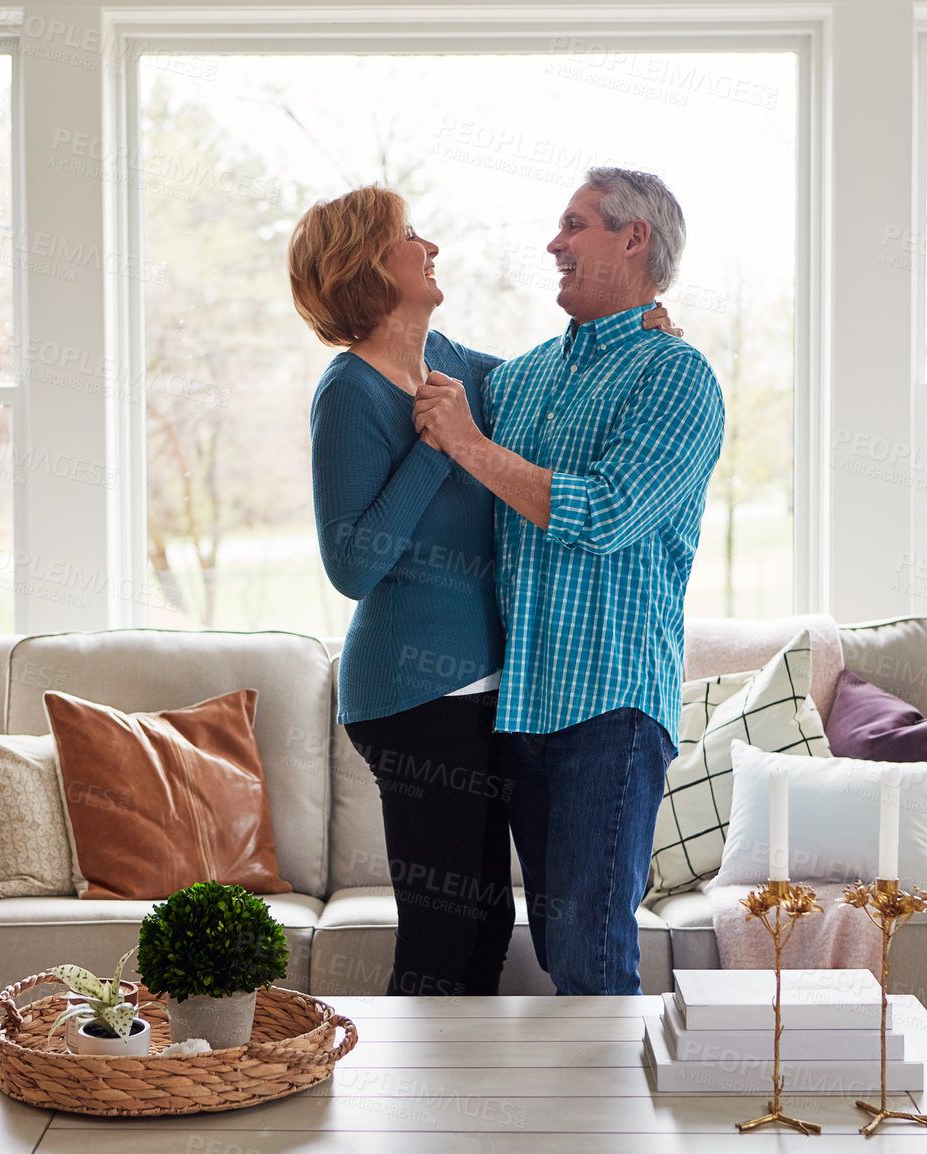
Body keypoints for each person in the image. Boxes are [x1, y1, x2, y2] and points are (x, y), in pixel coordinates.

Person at [289, 184, 678, 996]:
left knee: (487, 925)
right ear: (369, 261)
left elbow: (556, 384)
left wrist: (646, 330)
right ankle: (405, 1117)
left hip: (489, 693)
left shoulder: (461, 369)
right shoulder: (350, 392)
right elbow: (351, 565)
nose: (430, 247)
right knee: (444, 932)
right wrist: (437, 447)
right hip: (409, 691)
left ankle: (462, 1114)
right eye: (408, 236)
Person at [412, 168, 725, 996]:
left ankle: (610, 1130)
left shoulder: (676, 379)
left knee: (589, 958)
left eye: (574, 225)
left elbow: (608, 512)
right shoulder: (522, 378)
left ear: (635, 238)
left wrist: (470, 446)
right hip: (522, 711)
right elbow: (415, 355)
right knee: (558, 950)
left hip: (611, 711)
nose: (553, 244)